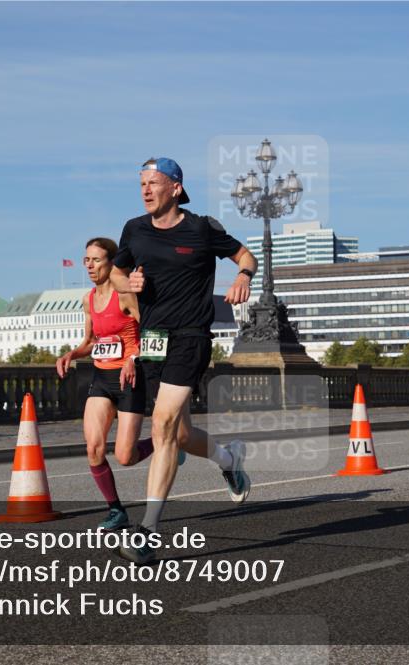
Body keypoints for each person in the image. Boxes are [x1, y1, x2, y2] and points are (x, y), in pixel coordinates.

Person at [110, 157, 258, 564]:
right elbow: (118, 274)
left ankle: (147, 532)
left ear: (175, 187)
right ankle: (229, 459)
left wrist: (243, 277)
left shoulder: (201, 228)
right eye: (141, 183)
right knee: (177, 434)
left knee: (161, 426)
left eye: (152, 182)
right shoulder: (133, 230)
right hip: (153, 341)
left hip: (190, 338)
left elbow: (246, 256)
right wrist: (129, 282)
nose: (144, 190)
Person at [55, 238, 154, 531]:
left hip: (129, 378)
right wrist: (72, 353)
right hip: (101, 380)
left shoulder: (124, 296)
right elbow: (90, 342)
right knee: (94, 447)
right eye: (87, 260)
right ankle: (116, 510)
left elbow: (151, 332)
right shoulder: (88, 299)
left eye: (96, 260)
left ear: (111, 263)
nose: (89, 265)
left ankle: (165, 443)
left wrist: (133, 358)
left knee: (126, 456)